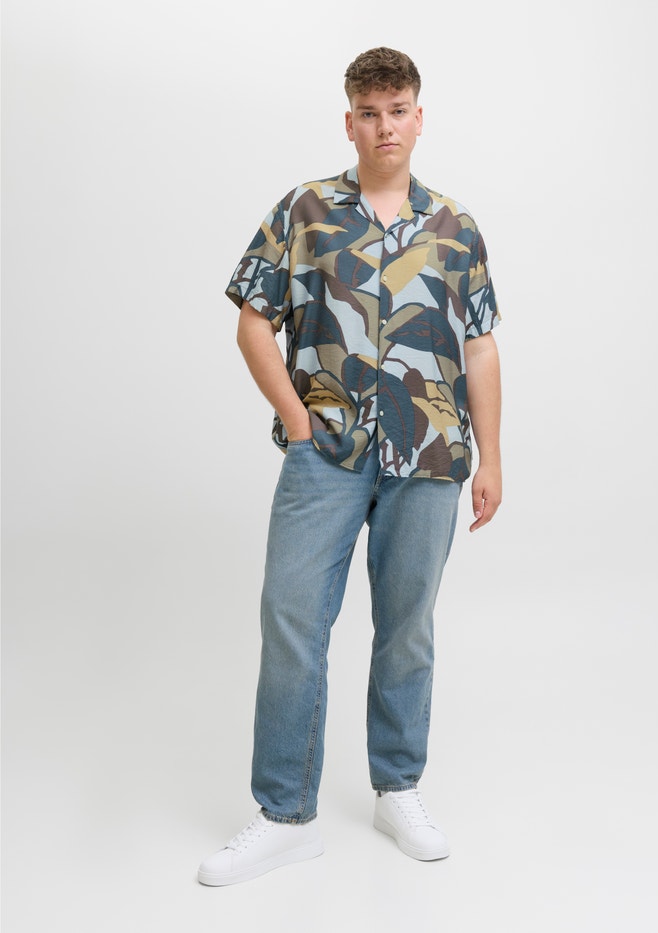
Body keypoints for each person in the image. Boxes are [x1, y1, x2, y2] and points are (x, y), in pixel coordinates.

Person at [198, 46, 502, 886]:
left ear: (418, 117)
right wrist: (298, 422)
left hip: (430, 454)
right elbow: (252, 321)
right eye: (369, 113)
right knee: (292, 615)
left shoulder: (456, 227)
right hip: (325, 453)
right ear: (350, 121)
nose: (384, 127)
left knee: (407, 626)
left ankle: (397, 788)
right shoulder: (304, 211)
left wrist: (492, 456)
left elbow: (480, 347)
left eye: (398, 110)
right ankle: (284, 815)